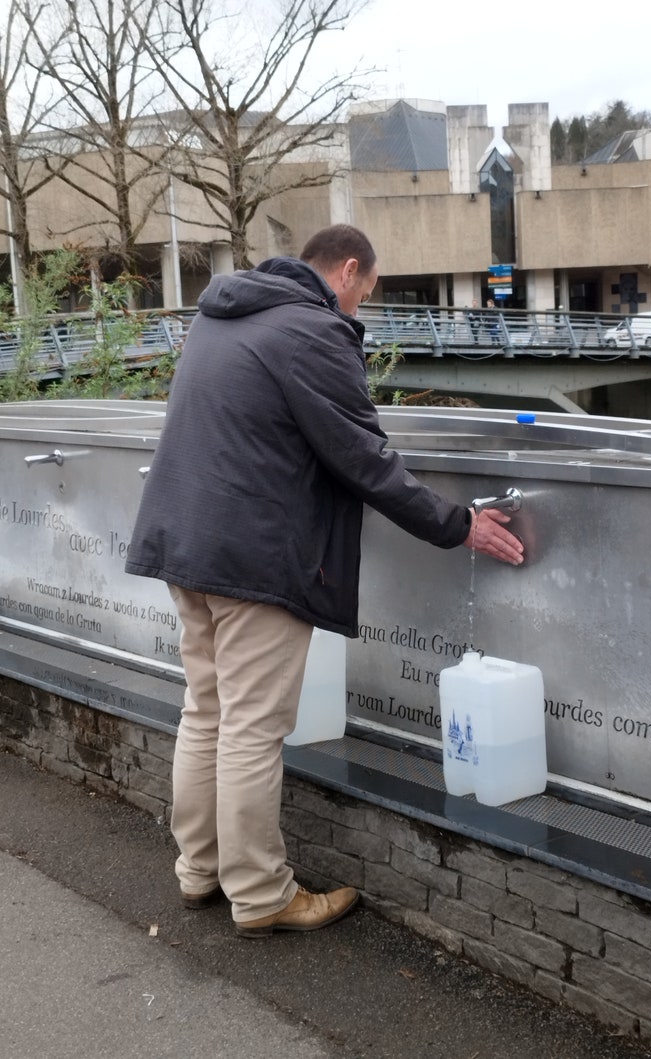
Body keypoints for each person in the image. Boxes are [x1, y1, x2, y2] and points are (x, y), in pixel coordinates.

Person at [124, 224, 524, 939]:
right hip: (256, 557)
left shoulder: (224, 315)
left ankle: (198, 869)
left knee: (206, 709)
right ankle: (260, 893)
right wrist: (459, 523)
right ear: (347, 270)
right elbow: (365, 461)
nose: (360, 309)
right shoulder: (310, 330)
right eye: (365, 292)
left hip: (185, 542)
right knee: (251, 725)